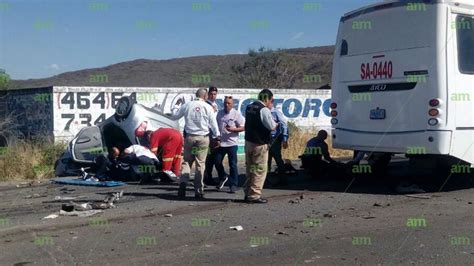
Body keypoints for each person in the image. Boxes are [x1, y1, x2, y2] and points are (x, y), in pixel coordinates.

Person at [170, 88, 221, 199]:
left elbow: (174, 116)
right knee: (200, 164)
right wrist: (217, 136)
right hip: (203, 138)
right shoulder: (208, 107)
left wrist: (177, 105)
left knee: (187, 162)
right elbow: (213, 123)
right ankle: (198, 190)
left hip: (189, 137)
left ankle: (183, 183)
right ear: (205, 96)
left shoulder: (188, 105)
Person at [244, 89, 277, 204]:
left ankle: (247, 192)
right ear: (267, 99)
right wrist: (276, 124)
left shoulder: (249, 107)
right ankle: (254, 196)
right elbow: (271, 126)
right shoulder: (264, 110)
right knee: (259, 170)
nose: (271, 102)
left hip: (248, 142)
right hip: (259, 144)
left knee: (250, 169)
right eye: (271, 100)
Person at [215, 96, 245, 193]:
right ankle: (223, 176)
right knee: (217, 162)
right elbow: (215, 126)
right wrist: (216, 137)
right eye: (225, 103)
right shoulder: (219, 113)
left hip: (232, 143)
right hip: (221, 143)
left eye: (228, 103)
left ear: (232, 104)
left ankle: (234, 184)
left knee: (233, 164)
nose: (226, 105)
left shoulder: (236, 114)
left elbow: (243, 127)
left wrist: (233, 129)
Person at [266, 104, 289, 186]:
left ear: (271, 102)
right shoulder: (264, 112)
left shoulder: (276, 113)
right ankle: (266, 180)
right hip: (266, 140)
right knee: (266, 161)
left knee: (278, 160)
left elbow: (284, 125)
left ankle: (283, 179)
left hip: (275, 140)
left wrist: (285, 139)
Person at [204, 86, 219, 186]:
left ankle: (208, 176)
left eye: (214, 94)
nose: (213, 96)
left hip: (214, 133)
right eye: (211, 94)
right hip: (208, 132)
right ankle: (205, 178)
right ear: (208, 94)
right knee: (207, 157)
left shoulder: (215, 105)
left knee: (212, 157)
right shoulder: (206, 105)